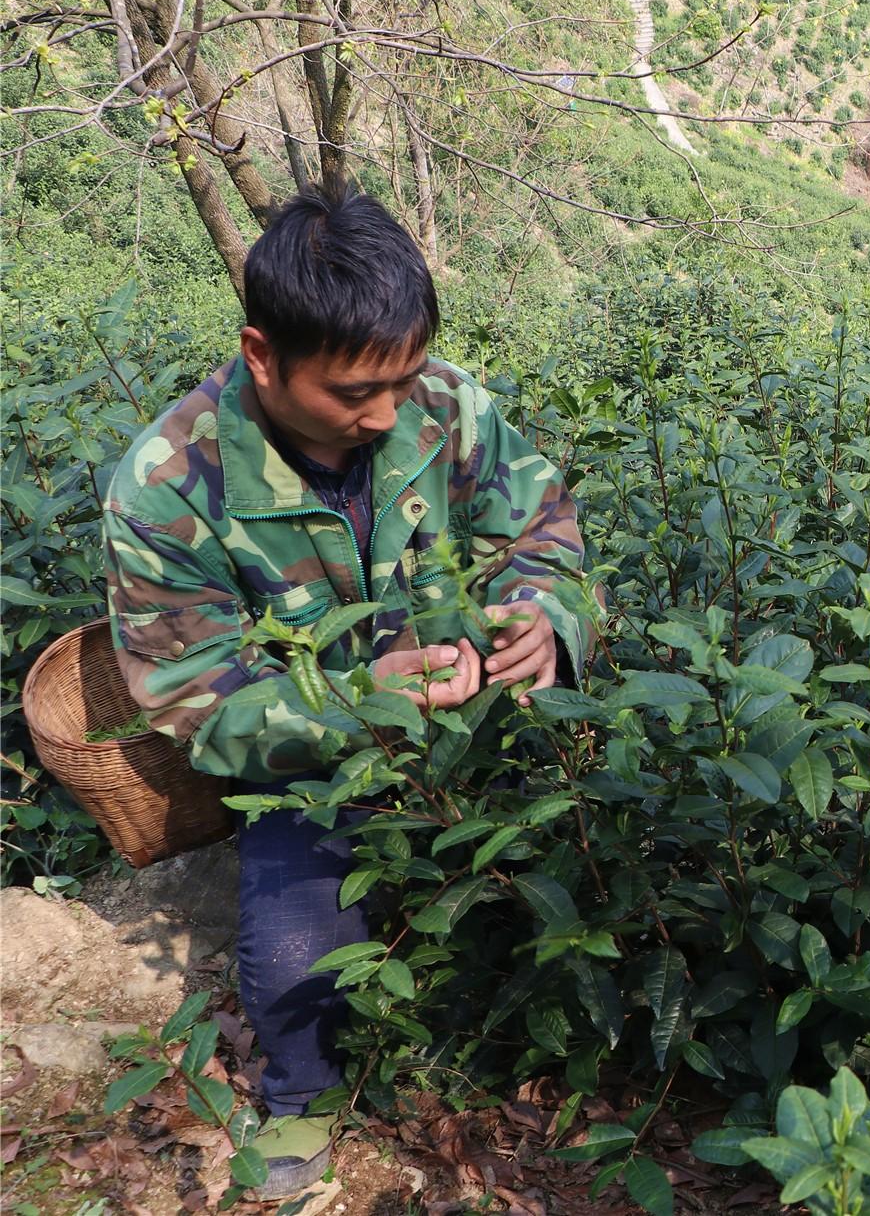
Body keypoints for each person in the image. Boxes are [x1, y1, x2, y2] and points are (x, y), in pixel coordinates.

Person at [102, 186, 592, 1197]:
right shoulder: (166, 485)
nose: (384, 413)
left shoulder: (444, 405)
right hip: (312, 762)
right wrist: (353, 700)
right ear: (261, 353)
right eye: (353, 392)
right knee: (291, 954)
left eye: (403, 380)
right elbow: (199, 705)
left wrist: (543, 615)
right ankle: (301, 1104)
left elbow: (541, 529)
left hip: (476, 721)